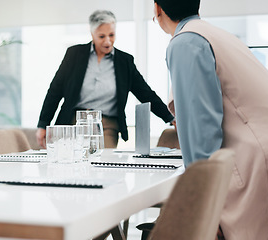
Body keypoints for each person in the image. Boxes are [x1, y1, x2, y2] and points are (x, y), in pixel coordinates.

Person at [153, 0, 268, 239]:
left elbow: (201, 132)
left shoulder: (186, 41)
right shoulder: (214, 34)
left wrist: (202, 209)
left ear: (157, 9)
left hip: (261, 161)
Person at [36, 10, 174, 149]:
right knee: (67, 162)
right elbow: (55, 90)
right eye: (101, 36)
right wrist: (43, 124)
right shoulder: (74, 54)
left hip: (106, 125)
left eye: (111, 35)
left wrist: (170, 117)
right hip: (73, 122)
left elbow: (145, 93)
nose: (108, 41)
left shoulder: (124, 61)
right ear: (92, 34)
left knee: (102, 163)